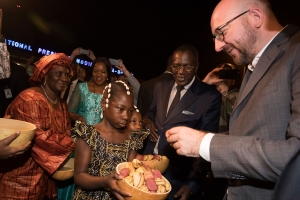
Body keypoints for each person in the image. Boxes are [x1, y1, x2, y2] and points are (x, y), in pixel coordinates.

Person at [165, 0, 300, 199]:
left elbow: (295, 157)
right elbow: (253, 132)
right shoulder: (254, 66)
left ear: (255, 16)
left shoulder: (295, 51)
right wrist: (200, 137)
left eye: (222, 32)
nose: (217, 46)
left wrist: (205, 144)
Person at [142, 44, 222, 200]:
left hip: (178, 175)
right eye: (176, 66)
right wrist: (146, 121)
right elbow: (151, 113)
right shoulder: (160, 86)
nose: (180, 72)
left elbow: (206, 143)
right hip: (149, 164)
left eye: (187, 67)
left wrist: (192, 184)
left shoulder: (209, 97)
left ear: (197, 67)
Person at [0, 53, 75, 199]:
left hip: (44, 178)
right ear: (45, 75)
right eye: (58, 73)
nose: (64, 78)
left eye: (67, 75)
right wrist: (78, 145)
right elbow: (41, 139)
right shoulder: (31, 99)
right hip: (21, 179)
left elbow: (66, 133)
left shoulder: (62, 104)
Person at [72, 81, 149, 199]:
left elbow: (130, 174)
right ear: (104, 104)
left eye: (129, 111)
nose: (126, 116)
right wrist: (104, 181)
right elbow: (79, 176)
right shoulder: (88, 134)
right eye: (120, 109)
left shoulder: (132, 138)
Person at [68, 57, 111, 125]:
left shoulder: (112, 91)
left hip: (102, 134)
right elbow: (69, 113)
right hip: (81, 133)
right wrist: (77, 117)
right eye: (95, 71)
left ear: (108, 73)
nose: (98, 75)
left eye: (103, 72)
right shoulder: (81, 87)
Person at [203, 63, 239, 132]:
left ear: (234, 80)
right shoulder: (207, 96)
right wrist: (205, 82)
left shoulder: (239, 96)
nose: (225, 78)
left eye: (229, 74)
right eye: (222, 73)